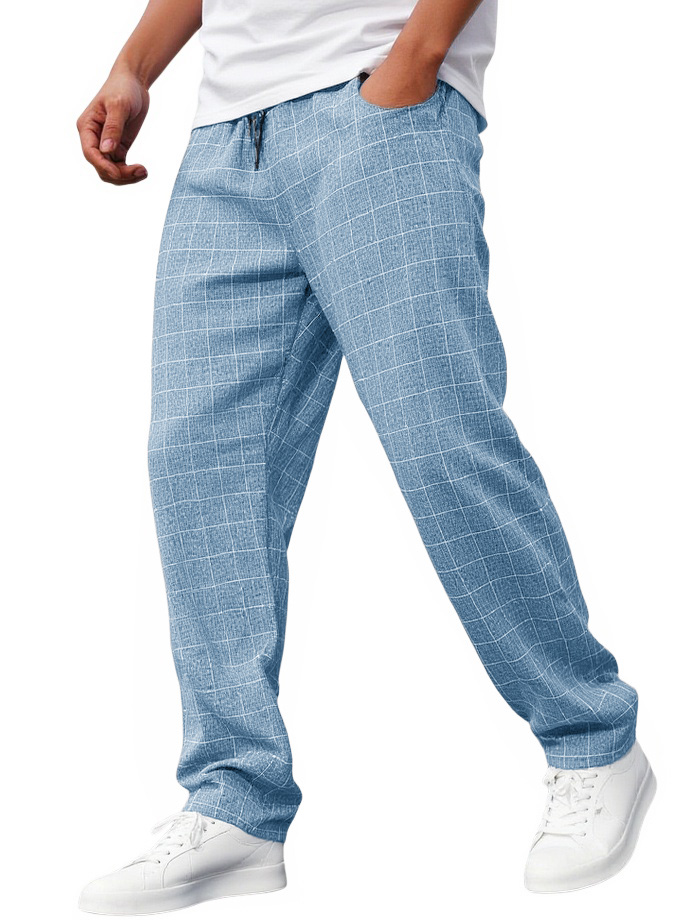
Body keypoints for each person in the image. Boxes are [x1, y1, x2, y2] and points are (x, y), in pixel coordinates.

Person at [76, 0, 656, 911]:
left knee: (439, 434)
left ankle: (593, 738)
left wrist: (416, 58)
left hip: (378, 101)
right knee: (200, 467)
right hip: (226, 141)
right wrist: (134, 66)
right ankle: (234, 800)